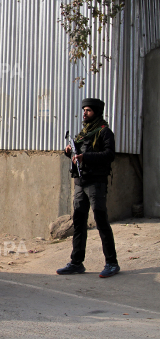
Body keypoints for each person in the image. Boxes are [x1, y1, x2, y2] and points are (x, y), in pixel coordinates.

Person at [57, 98, 120, 278]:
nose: (84, 113)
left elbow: (109, 155)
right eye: (84, 110)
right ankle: (76, 262)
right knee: (78, 222)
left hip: (96, 183)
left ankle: (112, 263)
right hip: (80, 182)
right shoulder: (82, 134)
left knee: (101, 221)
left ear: (97, 113)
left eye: (88, 111)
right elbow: (76, 157)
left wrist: (86, 157)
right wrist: (69, 151)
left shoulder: (104, 132)